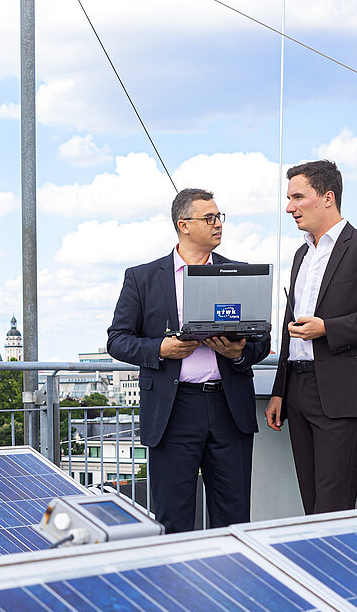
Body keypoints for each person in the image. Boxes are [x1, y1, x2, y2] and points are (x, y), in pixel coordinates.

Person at [107, 188, 269, 533]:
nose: (218, 224)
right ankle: (174, 586)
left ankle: (232, 585)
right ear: (184, 225)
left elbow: (262, 341)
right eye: (209, 218)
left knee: (234, 517)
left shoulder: (240, 274)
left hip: (229, 408)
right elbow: (117, 340)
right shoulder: (143, 278)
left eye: (219, 217)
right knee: (173, 517)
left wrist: (238, 353)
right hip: (173, 410)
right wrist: (160, 349)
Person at [265, 160, 357, 515]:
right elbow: (290, 326)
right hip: (297, 392)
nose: (289, 207)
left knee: (333, 506)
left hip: (342, 393)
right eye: (288, 198)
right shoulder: (302, 254)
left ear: (328, 197)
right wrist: (280, 390)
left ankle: (333, 569)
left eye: (298, 197)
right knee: (311, 503)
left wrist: (328, 328)